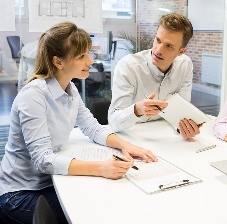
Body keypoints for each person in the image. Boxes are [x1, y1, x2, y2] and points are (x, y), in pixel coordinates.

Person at [0, 22, 157, 223]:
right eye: (82, 56)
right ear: (58, 62)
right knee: (91, 212)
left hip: (50, 182)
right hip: (20, 194)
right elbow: (43, 160)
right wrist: (101, 168)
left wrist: (128, 146)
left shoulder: (70, 89)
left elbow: (91, 128)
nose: (90, 61)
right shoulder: (33, 96)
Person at [108, 13, 200, 139]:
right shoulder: (128, 66)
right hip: (131, 134)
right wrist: (137, 110)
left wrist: (184, 128)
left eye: (168, 46)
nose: (158, 50)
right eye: (158, 40)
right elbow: (113, 121)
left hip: (165, 134)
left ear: (181, 51)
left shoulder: (185, 64)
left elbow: (181, 114)